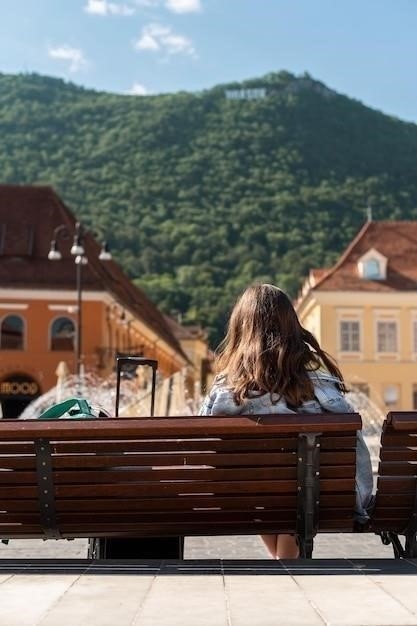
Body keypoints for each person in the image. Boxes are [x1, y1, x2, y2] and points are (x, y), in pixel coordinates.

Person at [199, 283, 373, 559]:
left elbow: (203, 452)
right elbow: (358, 455)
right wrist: (361, 499)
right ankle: (285, 564)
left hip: (243, 497)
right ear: (293, 328)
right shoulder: (323, 391)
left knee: (265, 490)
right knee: (298, 490)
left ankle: (283, 564)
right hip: (320, 498)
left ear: (240, 330)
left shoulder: (225, 394)